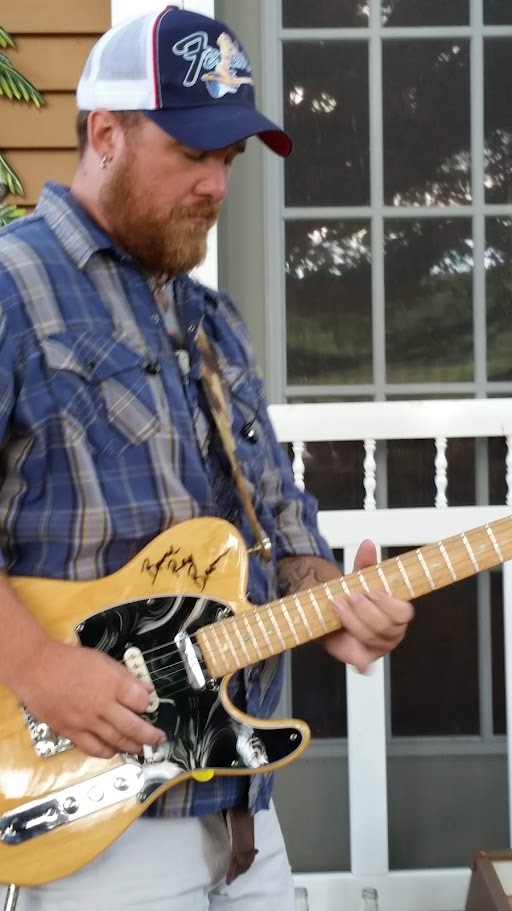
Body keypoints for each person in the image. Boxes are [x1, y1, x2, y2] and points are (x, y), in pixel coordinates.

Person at [0, 6, 414, 910]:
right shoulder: (12, 288)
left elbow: (278, 527)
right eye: (192, 154)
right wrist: (35, 664)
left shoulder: (213, 323)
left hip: (241, 813)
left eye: (227, 159)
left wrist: (333, 605)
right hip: (92, 822)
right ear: (105, 133)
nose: (217, 185)